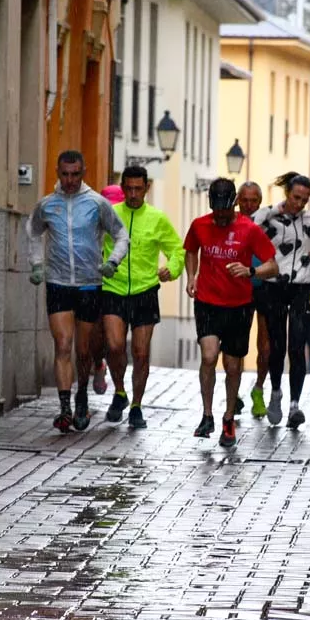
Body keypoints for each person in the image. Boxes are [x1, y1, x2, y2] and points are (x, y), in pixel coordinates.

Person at [28, 150, 129, 433]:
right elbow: (34, 233)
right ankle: (64, 408)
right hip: (58, 282)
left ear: (83, 172)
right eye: (65, 174)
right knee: (62, 345)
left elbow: (121, 235)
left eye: (75, 174)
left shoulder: (97, 203)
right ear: (57, 173)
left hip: (88, 283)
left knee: (83, 350)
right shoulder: (47, 205)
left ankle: (81, 394)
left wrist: (112, 261)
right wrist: (36, 264)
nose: (70, 180)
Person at [184, 178, 278, 447]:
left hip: (239, 304)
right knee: (209, 355)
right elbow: (191, 250)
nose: (222, 216)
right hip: (207, 301)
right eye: (217, 210)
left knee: (233, 365)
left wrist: (251, 271)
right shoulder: (200, 225)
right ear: (211, 204)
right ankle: (206, 414)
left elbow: (273, 266)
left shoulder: (249, 229)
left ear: (234, 203)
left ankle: (228, 417)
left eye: (226, 210)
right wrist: (192, 277)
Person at [100, 166, 185, 429]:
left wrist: (171, 269)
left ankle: (136, 405)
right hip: (112, 288)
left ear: (147, 188)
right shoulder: (110, 215)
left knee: (140, 352)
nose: (134, 194)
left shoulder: (157, 219)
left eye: (139, 189)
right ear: (122, 188)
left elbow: (177, 250)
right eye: (129, 189)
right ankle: (120, 391)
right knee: (114, 346)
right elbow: (90, 242)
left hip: (145, 291)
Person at [252, 172, 310, 428]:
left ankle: (295, 404)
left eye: (304, 199)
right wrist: (273, 209)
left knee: (297, 346)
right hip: (274, 285)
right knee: (277, 347)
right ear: (287, 194)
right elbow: (250, 225)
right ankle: (276, 393)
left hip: (302, 285)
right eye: (295, 198)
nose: (299, 204)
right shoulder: (271, 217)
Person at [92, 184, 127, 395]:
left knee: (115, 342)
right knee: (93, 336)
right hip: (92, 284)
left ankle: (119, 387)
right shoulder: (93, 223)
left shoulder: (124, 227)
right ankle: (98, 363)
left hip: (117, 288)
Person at [237, 181, 266, 417]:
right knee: (238, 343)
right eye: (244, 200)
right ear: (237, 200)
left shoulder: (269, 223)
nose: (248, 205)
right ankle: (234, 392)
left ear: (260, 201)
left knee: (265, 346)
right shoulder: (231, 223)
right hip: (239, 287)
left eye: (253, 200)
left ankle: (259, 389)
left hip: (266, 287)